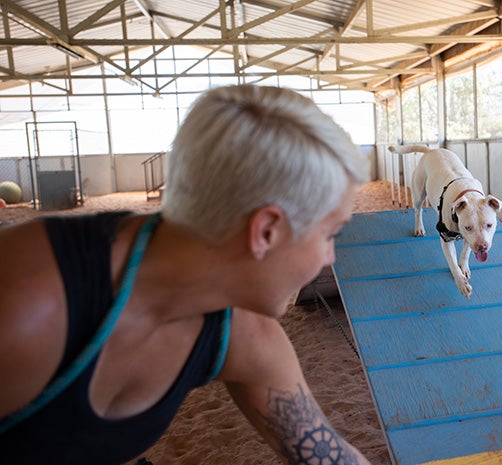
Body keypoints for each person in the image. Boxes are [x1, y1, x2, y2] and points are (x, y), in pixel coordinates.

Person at [0, 84, 372, 464]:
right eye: (330, 234)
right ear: (266, 232)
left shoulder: (241, 332)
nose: (330, 258)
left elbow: (330, 457)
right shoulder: (28, 302)